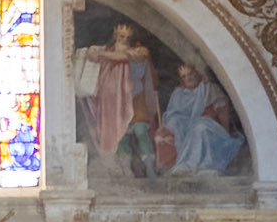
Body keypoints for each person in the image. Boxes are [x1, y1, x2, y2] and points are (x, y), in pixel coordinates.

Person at [74, 21, 162, 178]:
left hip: (134, 100)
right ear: (115, 36)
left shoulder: (138, 52)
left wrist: (101, 54)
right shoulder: (105, 51)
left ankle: (149, 167)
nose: (124, 40)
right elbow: (93, 60)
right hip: (108, 101)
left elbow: (122, 57)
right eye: (121, 36)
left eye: (127, 37)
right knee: (119, 137)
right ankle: (123, 169)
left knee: (140, 131)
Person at [156, 64, 245, 175]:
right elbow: (171, 114)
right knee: (176, 124)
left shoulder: (209, 89)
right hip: (185, 126)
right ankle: (184, 166)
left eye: (190, 74)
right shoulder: (178, 94)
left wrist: (225, 130)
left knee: (199, 127)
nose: (188, 78)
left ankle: (195, 165)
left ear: (196, 73)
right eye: (184, 76)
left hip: (212, 126)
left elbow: (222, 110)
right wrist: (176, 123)